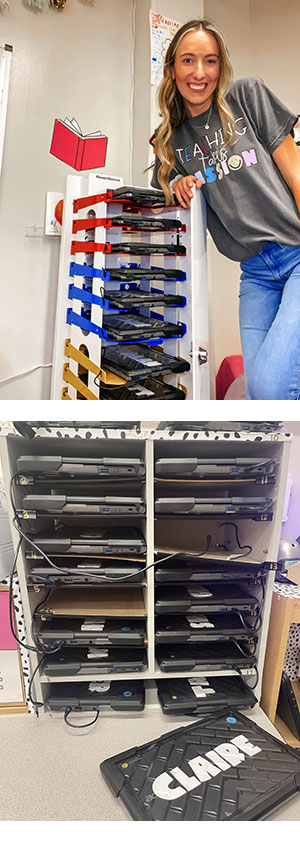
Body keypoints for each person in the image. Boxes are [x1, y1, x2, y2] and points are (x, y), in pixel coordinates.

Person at [150, 18, 300, 400]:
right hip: (255, 274)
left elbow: (296, 173)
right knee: (258, 396)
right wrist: (179, 184)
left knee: (269, 386)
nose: (199, 72)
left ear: (221, 66)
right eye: (188, 61)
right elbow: (166, 194)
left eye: (210, 61)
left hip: (296, 253)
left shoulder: (247, 96)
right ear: (172, 69)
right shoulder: (171, 140)